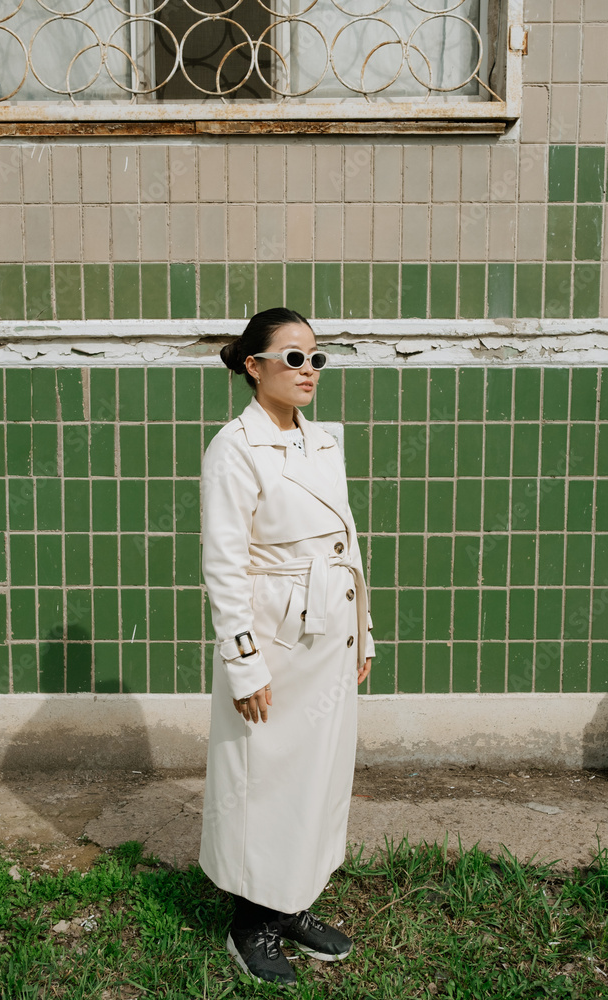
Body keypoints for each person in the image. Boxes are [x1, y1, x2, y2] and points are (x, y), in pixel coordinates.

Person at [199, 307, 375, 987]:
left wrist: (362, 631)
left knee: (317, 779)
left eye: (316, 358)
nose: (308, 371)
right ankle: (251, 923)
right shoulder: (234, 448)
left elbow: (345, 541)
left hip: (329, 634)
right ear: (254, 366)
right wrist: (244, 662)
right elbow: (224, 565)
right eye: (293, 357)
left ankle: (293, 899)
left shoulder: (320, 441)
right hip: (276, 641)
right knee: (265, 781)